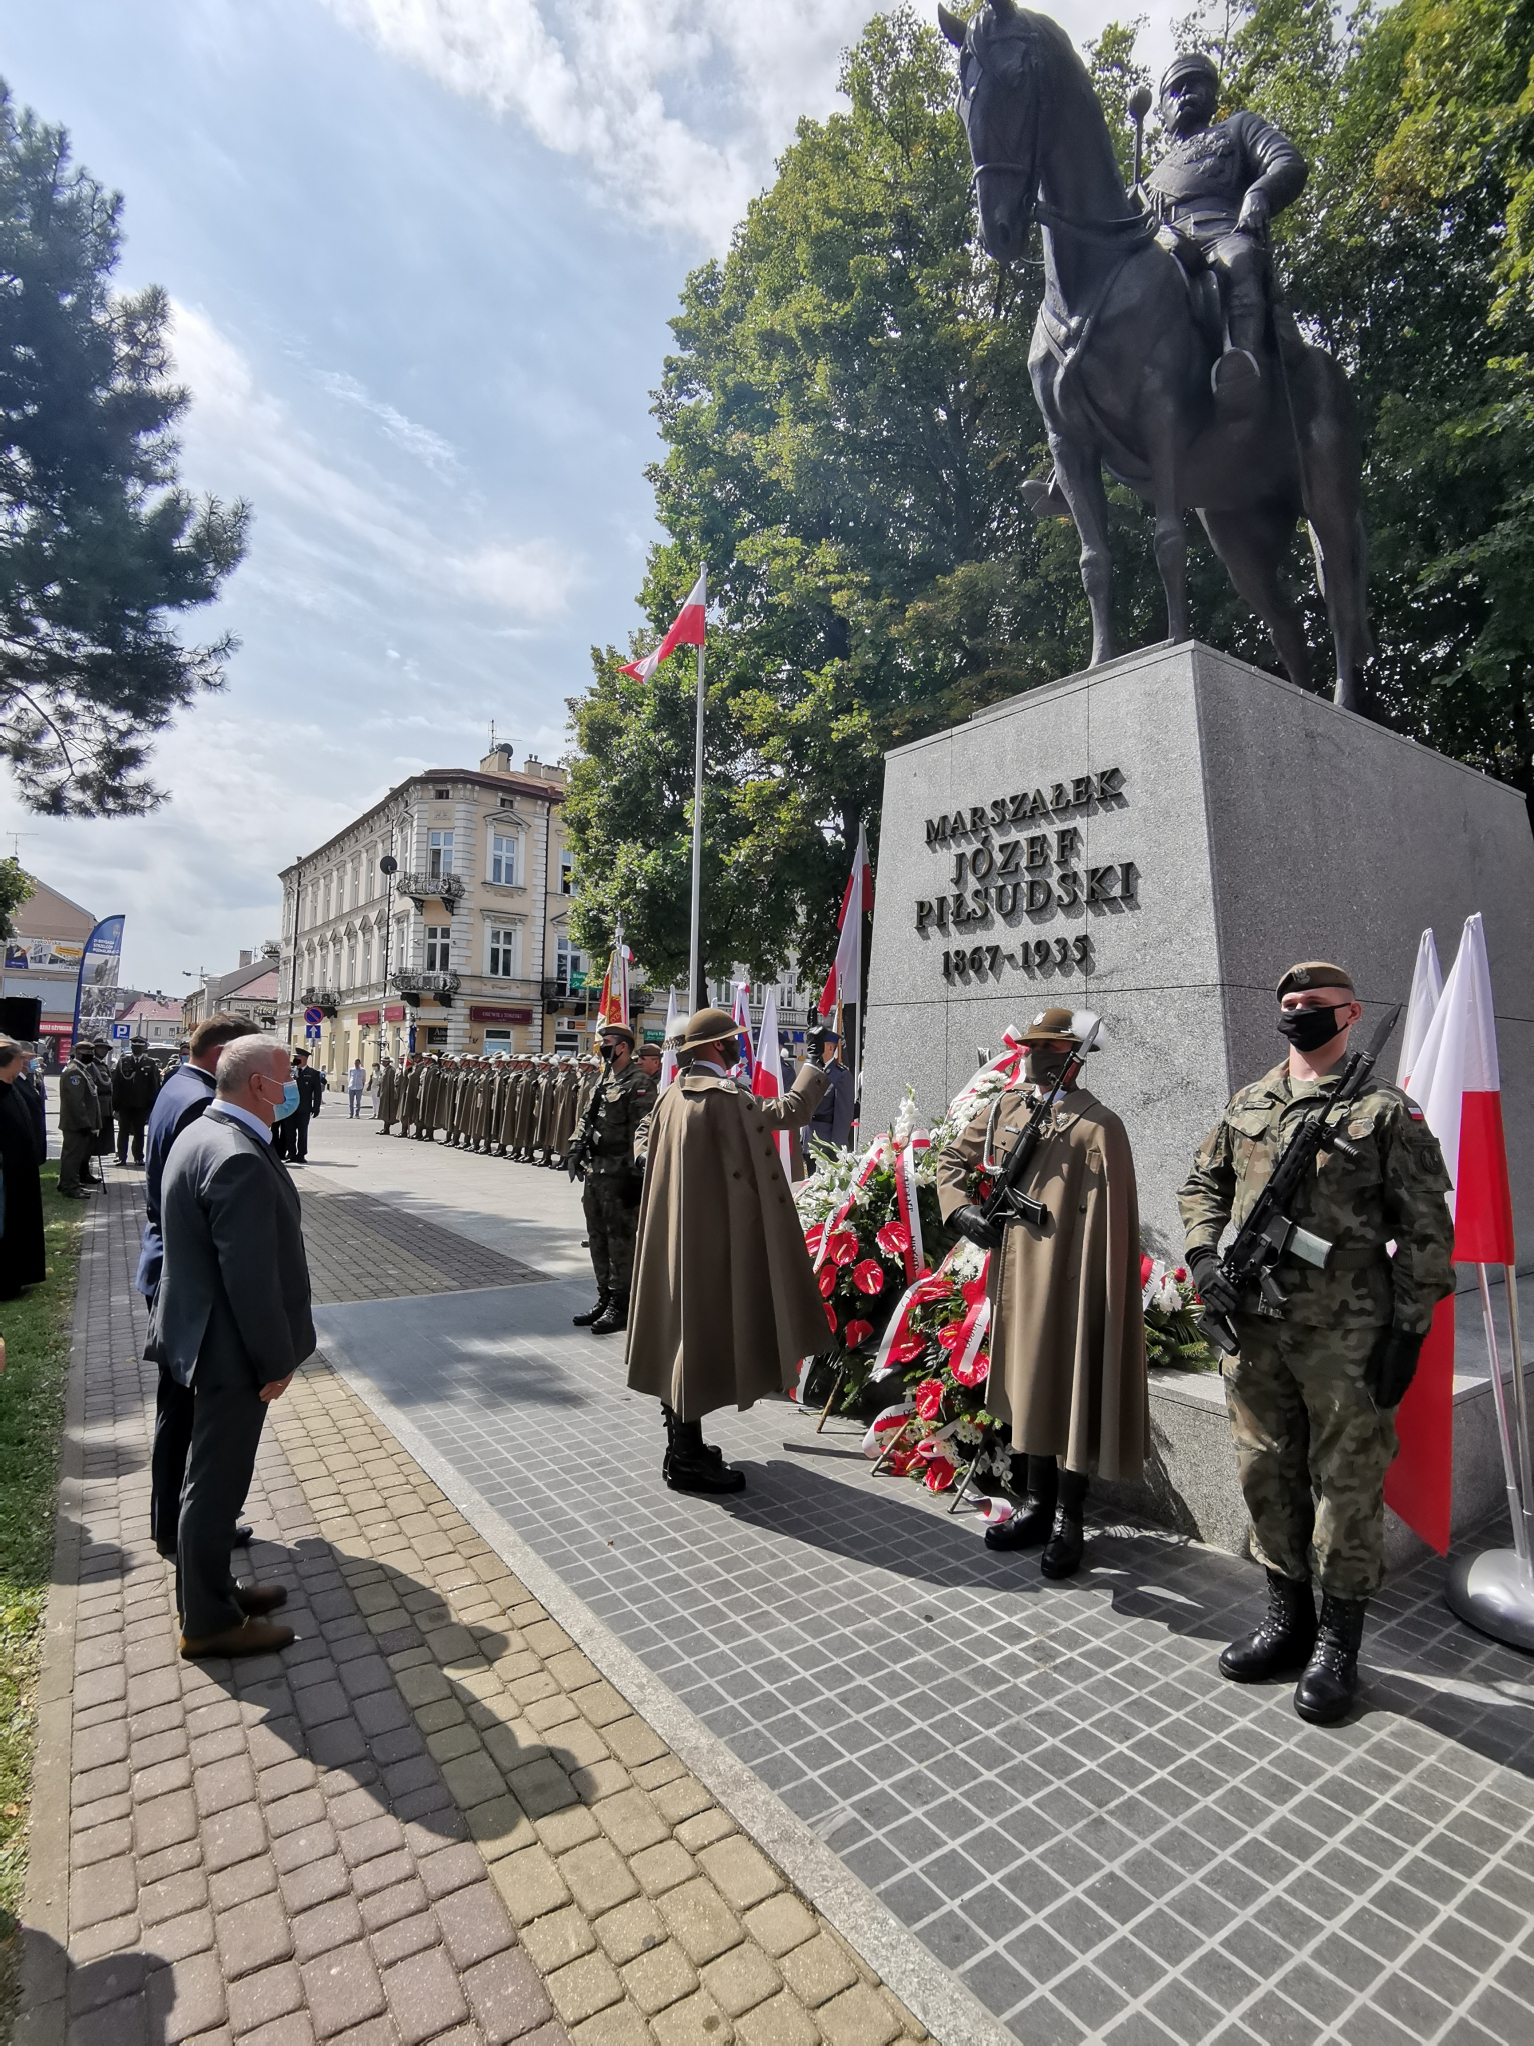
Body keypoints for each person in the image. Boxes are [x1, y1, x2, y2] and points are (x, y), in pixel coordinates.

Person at [1178, 962, 1455, 1724]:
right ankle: (1286, 1620)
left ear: (1351, 1013)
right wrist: (1206, 1257)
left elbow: (1428, 1231)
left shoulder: (1386, 1111)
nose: (1300, 1015)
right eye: (1290, 1005)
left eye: (1316, 1005)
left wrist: (1410, 1329)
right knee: (1266, 1470)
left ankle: (1338, 1645)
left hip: (1348, 1331)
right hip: (1256, 1327)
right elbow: (1202, 1185)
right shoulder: (1250, 1102)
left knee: (1346, 1482)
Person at [937, 1007, 1147, 1579]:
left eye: (1045, 1048)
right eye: (1030, 1047)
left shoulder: (1100, 1125)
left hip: (1071, 1278)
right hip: (1017, 1273)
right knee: (1028, 1383)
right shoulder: (1008, 1105)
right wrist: (961, 1213)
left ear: (1070, 1058)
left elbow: (1109, 1222)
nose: (1032, 1056)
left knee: (1069, 1384)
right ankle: (1034, 1504)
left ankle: (1068, 1518)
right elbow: (953, 1159)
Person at [149, 1035, 313, 1658]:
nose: (292, 1083)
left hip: (201, 1334)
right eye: (285, 1075)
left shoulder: (207, 1132)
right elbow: (251, 1278)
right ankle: (209, 1623)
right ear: (257, 1087)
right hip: (229, 1349)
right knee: (216, 1485)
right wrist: (274, 1361)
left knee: (207, 1480)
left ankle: (211, 1590)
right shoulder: (236, 1153)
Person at [626, 1007, 830, 1492]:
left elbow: (642, 1139)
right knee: (698, 1339)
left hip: (677, 1237)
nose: (740, 1045)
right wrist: (817, 1062)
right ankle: (686, 1459)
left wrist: (661, 1170)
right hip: (714, 1243)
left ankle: (683, 1446)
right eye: (734, 1039)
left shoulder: (674, 1093)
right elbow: (790, 1113)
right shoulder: (725, 1097)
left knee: (678, 1336)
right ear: (717, 1047)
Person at [136, 1013, 263, 1558]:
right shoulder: (198, 1103)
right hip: (191, 1279)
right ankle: (192, 1529)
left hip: (170, 1264)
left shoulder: (178, 1086)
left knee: (178, 1411)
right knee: (195, 1420)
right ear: (223, 1054)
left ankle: (174, 1522)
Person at [1146, 50, 1307, 400]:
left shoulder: (1239, 128)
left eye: (1194, 85)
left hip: (1224, 232)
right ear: (1162, 113)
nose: (1184, 94)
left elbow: (1287, 161)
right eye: (1174, 91)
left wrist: (1260, 193)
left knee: (1242, 258)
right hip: (1165, 246)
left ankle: (1241, 365)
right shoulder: (1151, 180)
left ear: (1212, 94)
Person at [571, 1023, 656, 1336]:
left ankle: (621, 1305)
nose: (602, 1046)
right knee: (597, 1237)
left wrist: (635, 1175)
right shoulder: (603, 1078)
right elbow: (586, 1117)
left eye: (606, 1042)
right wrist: (576, 1147)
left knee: (620, 1240)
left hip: (620, 1173)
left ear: (622, 1046)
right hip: (596, 1172)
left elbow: (642, 1131)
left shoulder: (640, 1081)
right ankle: (604, 1297)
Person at [0, 1038, 46, 1300]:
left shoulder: (14, 1086)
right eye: (20, 1059)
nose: (24, 1063)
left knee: (20, 1227)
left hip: (21, 1172)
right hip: (5, 1174)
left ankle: (18, 1277)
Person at [57, 1040, 102, 1199]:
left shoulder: (83, 1070)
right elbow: (76, 1102)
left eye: (91, 1054)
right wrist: (84, 1123)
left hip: (80, 1123)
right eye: (86, 1055)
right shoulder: (74, 1072)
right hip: (75, 1124)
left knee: (76, 1156)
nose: (89, 1057)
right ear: (77, 1054)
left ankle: (70, 1183)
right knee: (72, 1157)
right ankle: (70, 1187)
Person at [804, 1027, 856, 1158]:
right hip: (808, 1142)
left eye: (815, 1047)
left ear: (830, 1049)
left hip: (826, 1145)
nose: (811, 1051)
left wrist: (835, 1150)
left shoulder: (840, 1075)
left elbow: (843, 1117)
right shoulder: (809, 1071)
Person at [112, 1038, 161, 1165]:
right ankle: (121, 1157)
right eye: (134, 1047)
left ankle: (138, 1157)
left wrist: (152, 1104)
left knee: (139, 1132)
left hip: (141, 1104)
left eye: (139, 1047)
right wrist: (115, 1102)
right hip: (125, 1104)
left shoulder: (150, 1063)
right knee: (123, 1131)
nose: (136, 1050)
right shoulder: (123, 1062)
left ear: (143, 1049)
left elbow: (154, 1084)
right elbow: (116, 1083)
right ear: (131, 1048)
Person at [88, 1040, 116, 1172]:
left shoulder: (102, 1065)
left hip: (106, 1106)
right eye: (101, 1049)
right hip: (98, 1105)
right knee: (94, 1141)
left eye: (105, 1049)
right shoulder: (91, 1064)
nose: (103, 1051)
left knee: (102, 1139)